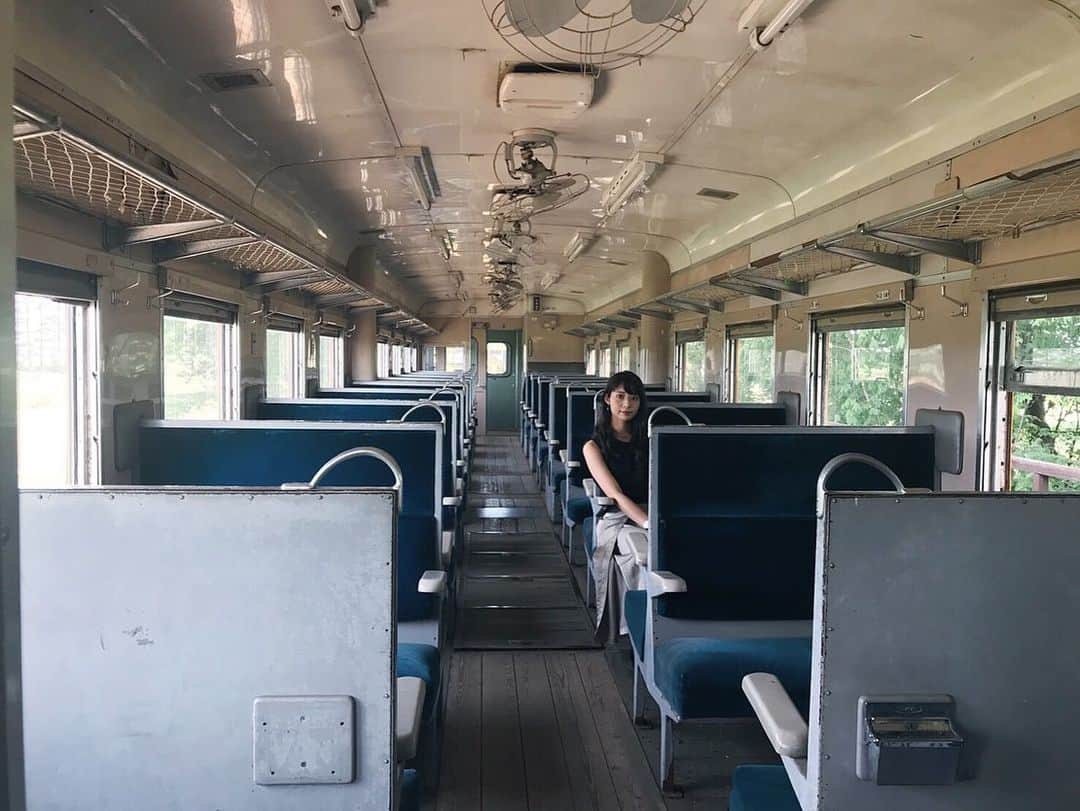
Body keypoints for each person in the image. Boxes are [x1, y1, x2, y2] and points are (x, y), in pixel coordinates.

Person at [582, 371, 650, 636]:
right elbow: (616, 494)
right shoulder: (593, 446)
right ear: (607, 399)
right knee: (640, 555)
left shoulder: (650, 438)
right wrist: (647, 524)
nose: (626, 404)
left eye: (633, 398)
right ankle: (640, 628)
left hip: (649, 510)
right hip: (616, 517)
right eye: (620, 396)